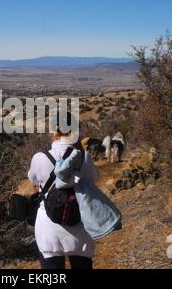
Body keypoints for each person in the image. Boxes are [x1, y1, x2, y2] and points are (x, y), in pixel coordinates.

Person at [27, 114, 122, 270]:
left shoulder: (40, 158)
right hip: (79, 226)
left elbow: (33, 180)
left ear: (54, 133)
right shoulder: (85, 157)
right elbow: (94, 178)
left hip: (49, 229)